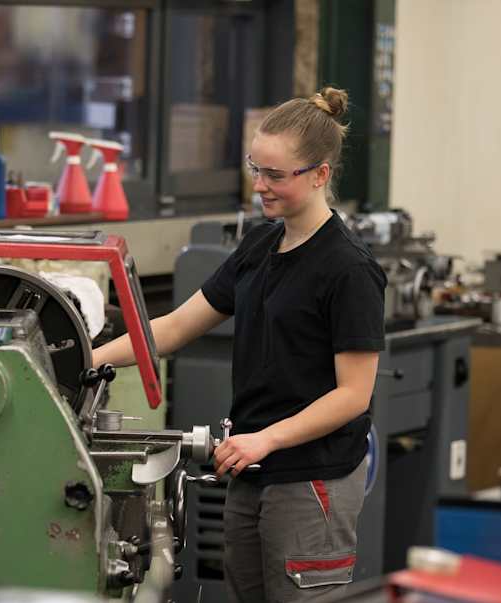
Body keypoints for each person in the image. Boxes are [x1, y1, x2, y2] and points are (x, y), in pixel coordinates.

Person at [91, 87, 386, 602]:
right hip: (251, 469)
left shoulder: (348, 269)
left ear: (320, 174)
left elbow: (353, 395)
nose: (260, 187)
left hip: (311, 478)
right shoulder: (260, 244)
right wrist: (84, 360)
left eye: (275, 175)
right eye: (256, 169)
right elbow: (179, 326)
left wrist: (267, 438)